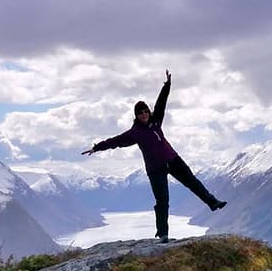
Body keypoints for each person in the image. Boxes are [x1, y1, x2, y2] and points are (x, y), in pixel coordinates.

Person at [82, 70, 227, 243]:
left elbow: (161, 103)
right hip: (155, 169)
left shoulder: (156, 120)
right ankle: (163, 233)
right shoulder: (134, 133)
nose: (144, 114)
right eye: (140, 113)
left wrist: (167, 85)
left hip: (173, 159)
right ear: (136, 116)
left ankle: (213, 202)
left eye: (145, 111)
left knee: (193, 182)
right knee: (162, 201)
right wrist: (97, 147)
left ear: (149, 112)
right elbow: (115, 141)